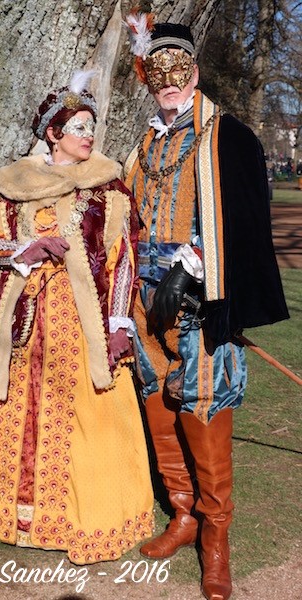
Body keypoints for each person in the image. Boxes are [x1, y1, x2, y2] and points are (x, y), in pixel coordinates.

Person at [124, 13, 289, 600]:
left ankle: (216, 537)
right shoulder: (144, 143)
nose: (169, 79)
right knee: (157, 405)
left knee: (203, 404)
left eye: (179, 68)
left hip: (198, 296)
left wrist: (194, 266)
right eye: (157, 69)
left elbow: (244, 220)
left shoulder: (227, 135)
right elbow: (130, 217)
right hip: (145, 301)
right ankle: (184, 513)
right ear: (147, 76)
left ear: (193, 71)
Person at [0, 71, 154, 565]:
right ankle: (9, 516)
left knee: (89, 416)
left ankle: (85, 520)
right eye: (79, 127)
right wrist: (28, 247)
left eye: (92, 127)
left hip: (81, 325)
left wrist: (116, 324)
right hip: (23, 327)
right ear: (53, 133)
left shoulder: (106, 188)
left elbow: (123, 259)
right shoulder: (11, 187)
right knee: (14, 415)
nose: (89, 135)